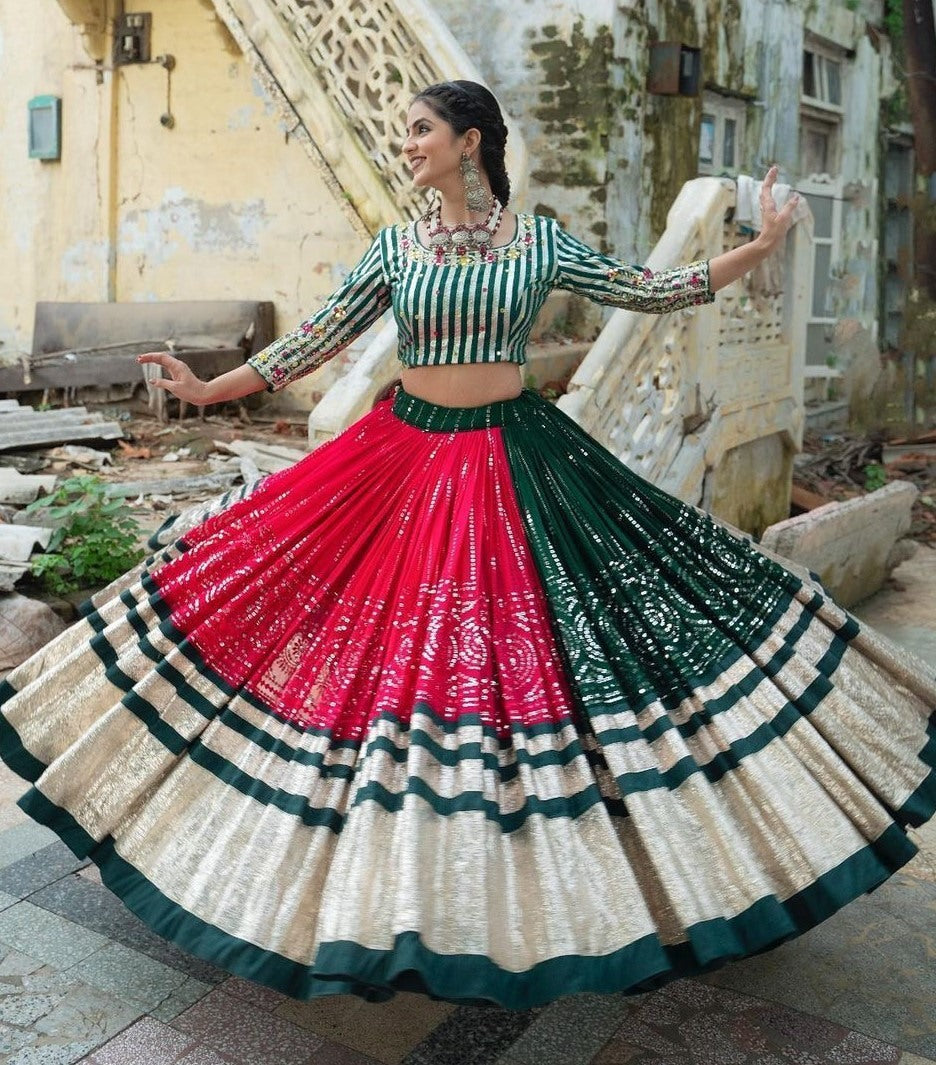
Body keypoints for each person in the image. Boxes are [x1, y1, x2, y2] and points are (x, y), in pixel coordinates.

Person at [1, 80, 933, 1010]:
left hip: (516, 461)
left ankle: (531, 892)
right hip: (402, 462)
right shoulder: (399, 246)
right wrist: (210, 391)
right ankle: (388, 887)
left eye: (420, 129)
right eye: (406, 130)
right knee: (378, 658)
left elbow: (652, 291)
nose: (407, 144)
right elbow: (317, 337)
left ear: (470, 141)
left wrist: (761, 246)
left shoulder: (538, 242)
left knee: (539, 659)